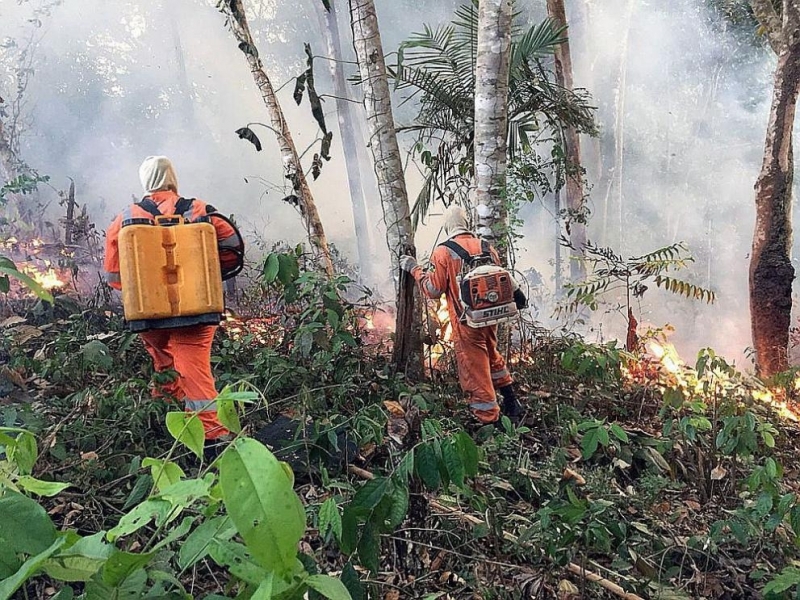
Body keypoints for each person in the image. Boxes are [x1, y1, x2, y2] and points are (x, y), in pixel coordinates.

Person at [104, 156, 235, 446]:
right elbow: (232, 246)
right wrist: (211, 275)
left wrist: (146, 289)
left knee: (165, 368)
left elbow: (114, 276)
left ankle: (164, 430)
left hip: (148, 317)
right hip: (198, 314)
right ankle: (212, 440)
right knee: (195, 373)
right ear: (172, 177)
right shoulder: (200, 209)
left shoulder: (124, 218)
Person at [400, 205, 525, 425]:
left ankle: (489, 421)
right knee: (492, 355)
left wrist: (414, 269)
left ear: (447, 225)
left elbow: (433, 290)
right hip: (491, 315)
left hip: (467, 322)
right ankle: (511, 401)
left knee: (474, 369)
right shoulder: (487, 247)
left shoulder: (443, 252)